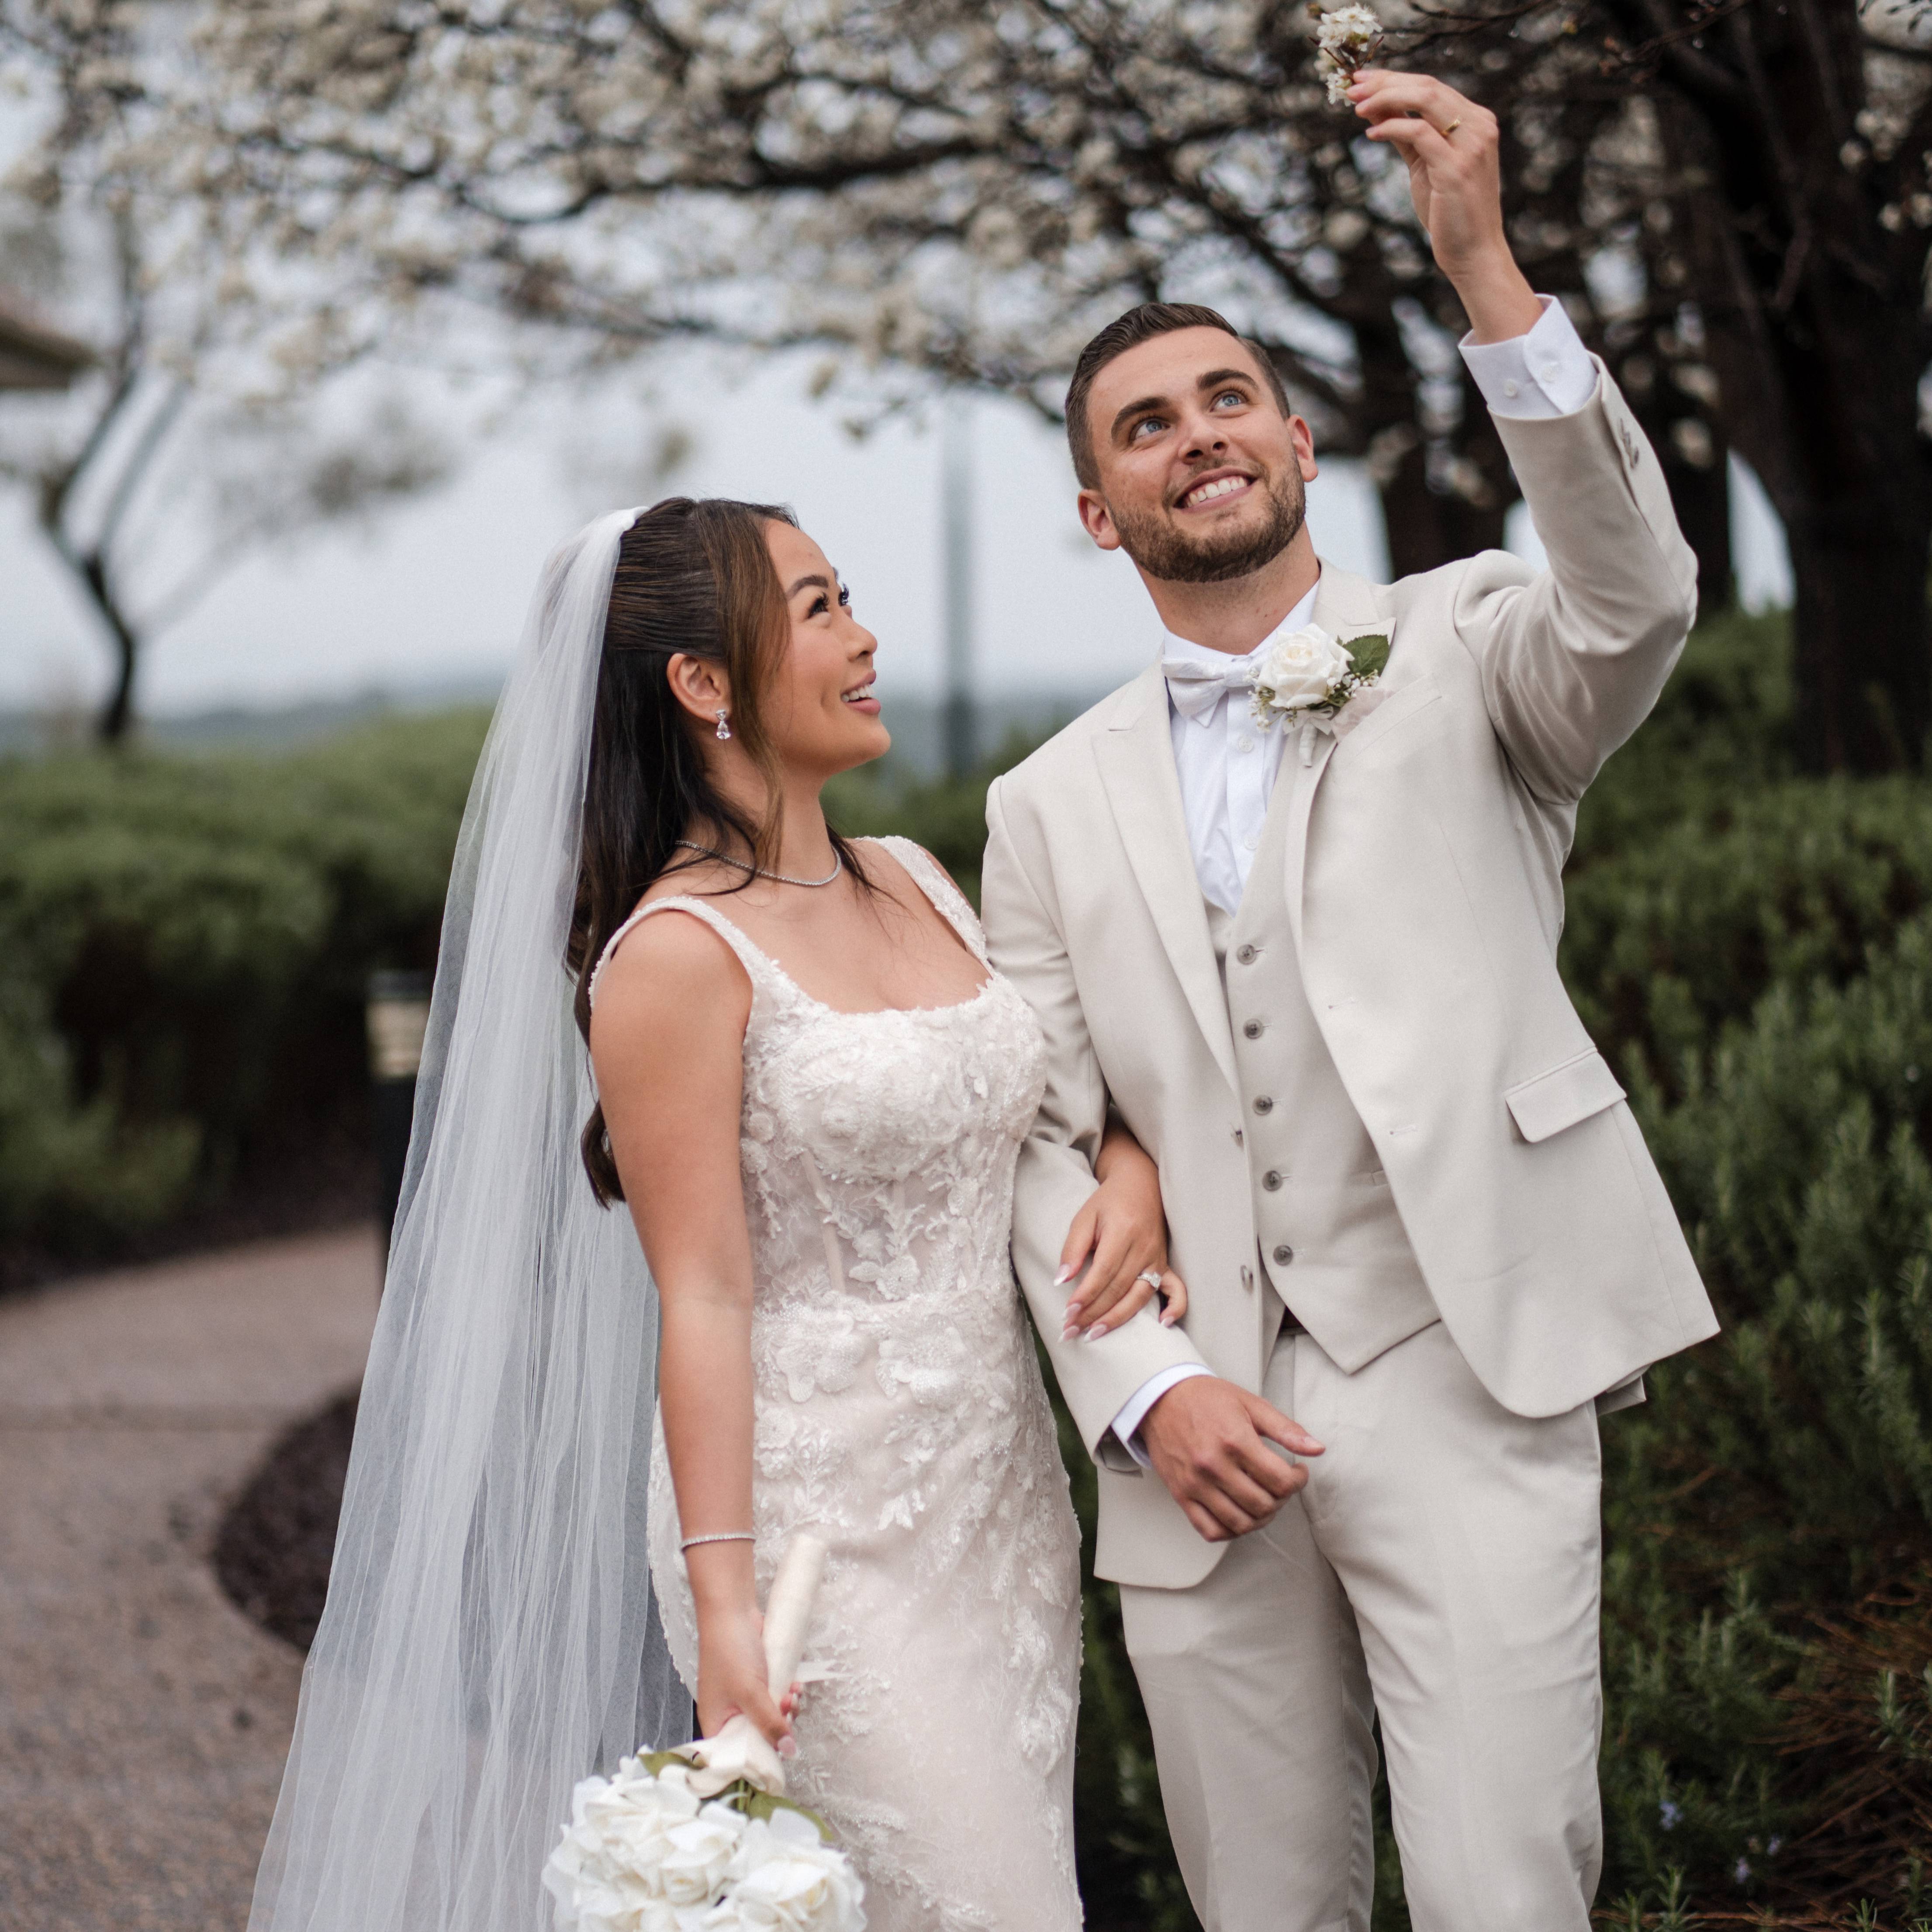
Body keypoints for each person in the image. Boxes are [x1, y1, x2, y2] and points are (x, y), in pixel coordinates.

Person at [983, 68, 1721, 1932]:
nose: (1195, 436)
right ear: (1098, 507)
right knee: (1262, 1908)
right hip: (1199, 1425)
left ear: (1299, 443)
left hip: (1466, 1364)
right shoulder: (1039, 800)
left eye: (1227, 398)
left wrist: (1481, 272)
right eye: (1145, 426)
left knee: (1499, 1888)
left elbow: (1634, 596)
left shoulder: (1478, 640)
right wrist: (1143, 1387)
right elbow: (1027, 1126)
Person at [249, 493, 1174, 1932]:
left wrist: (1131, 1169)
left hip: (998, 1513)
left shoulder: (918, 882)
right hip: (819, 1549)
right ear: (701, 682)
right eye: (817, 609)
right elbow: (706, 1294)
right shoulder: (677, 954)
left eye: (849, 596)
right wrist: (728, 1606)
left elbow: (1039, 1113)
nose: (866, 638)